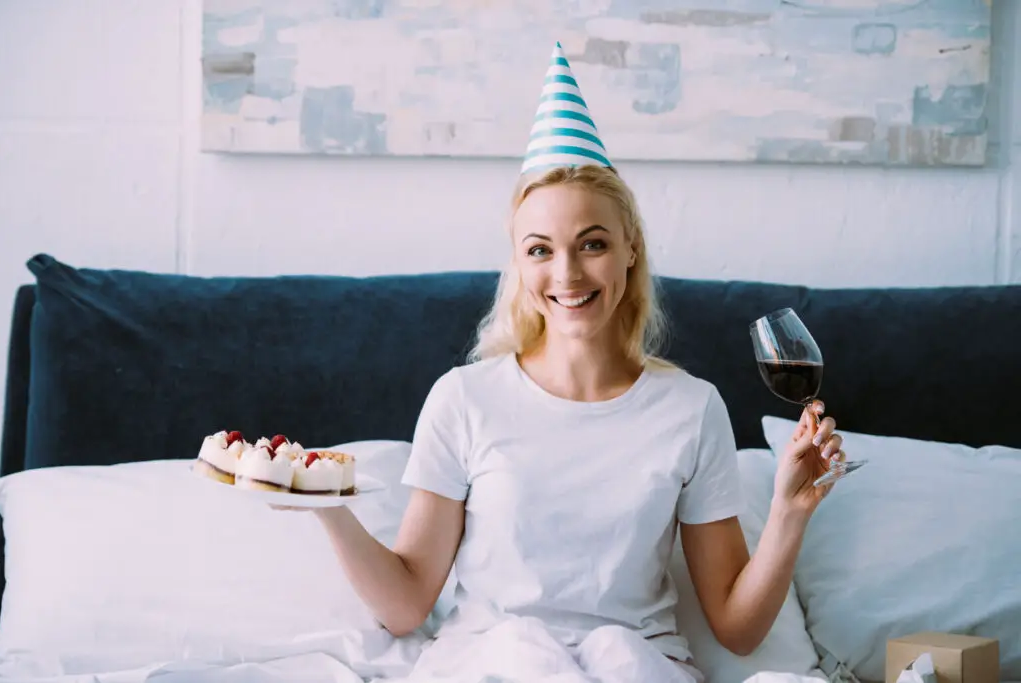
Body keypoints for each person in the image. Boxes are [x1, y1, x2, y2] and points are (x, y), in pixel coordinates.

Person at [298, 43, 846, 681]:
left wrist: (787, 514)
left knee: (617, 655)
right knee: (522, 651)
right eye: (540, 250)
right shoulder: (464, 399)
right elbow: (405, 605)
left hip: (636, 666)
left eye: (592, 244)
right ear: (518, 261)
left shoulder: (691, 408)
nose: (567, 274)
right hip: (491, 663)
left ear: (630, 249)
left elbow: (738, 629)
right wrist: (324, 504)